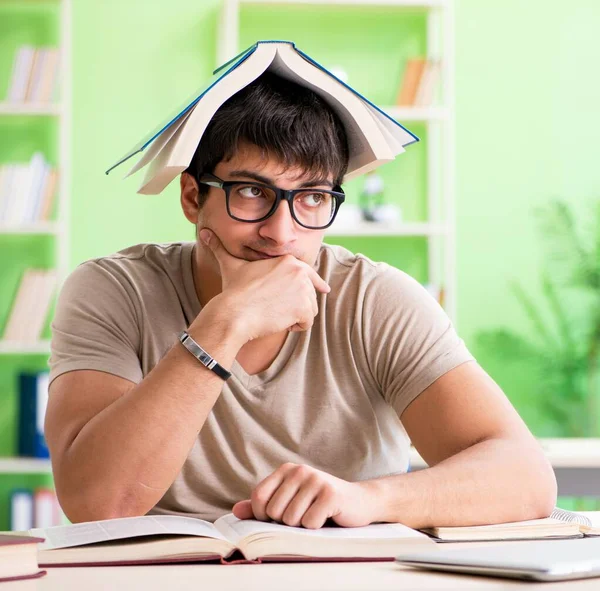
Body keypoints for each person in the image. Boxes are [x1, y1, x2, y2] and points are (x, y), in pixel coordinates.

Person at [45, 72, 556, 529]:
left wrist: (370, 498)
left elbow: (525, 478)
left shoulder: (375, 300)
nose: (280, 232)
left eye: (312, 197)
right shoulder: (113, 290)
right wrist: (226, 321)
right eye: (250, 191)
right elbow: (98, 504)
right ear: (191, 197)